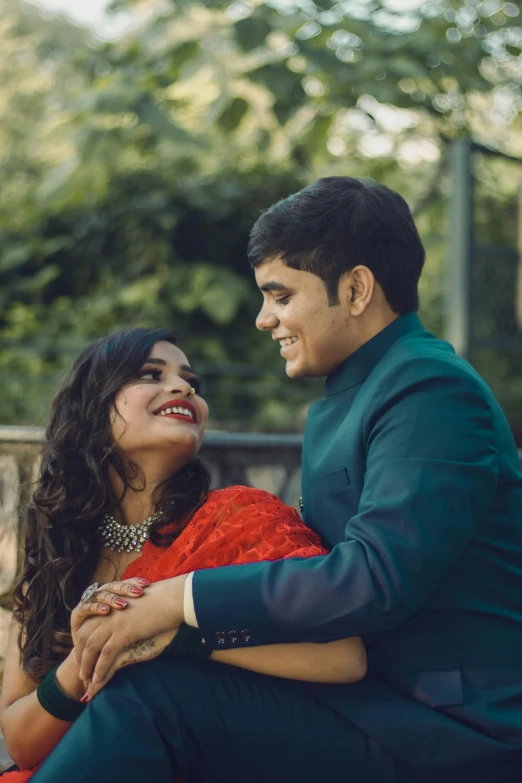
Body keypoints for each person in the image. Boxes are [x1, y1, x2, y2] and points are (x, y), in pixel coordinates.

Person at [24, 177, 522, 783]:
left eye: (279, 296)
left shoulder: (428, 386)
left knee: (156, 700)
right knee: (160, 688)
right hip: (370, 709)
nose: (264, 319)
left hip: (449, 726)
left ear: (357, 288)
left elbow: (374, 578)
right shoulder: (349, 398)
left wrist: (174, 602)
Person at [0, 327, 367, 781]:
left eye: (191, 381)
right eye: (150, 374)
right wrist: (87, 659)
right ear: (92, 408)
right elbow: (19, 741)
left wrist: (178, 638)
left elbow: (342, 653)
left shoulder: (238, 519)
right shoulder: (59, 562)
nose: (182, 387)